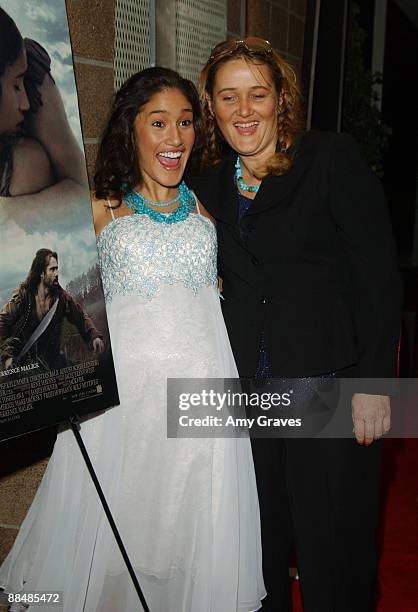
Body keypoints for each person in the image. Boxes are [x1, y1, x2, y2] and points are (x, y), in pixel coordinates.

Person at [0, 67, 265, 612]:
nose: (175, 138)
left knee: (186, 542)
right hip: (124, 413)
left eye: (186, 123)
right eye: (160, 122)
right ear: (132, 129)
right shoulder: (102, 209)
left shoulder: (203, 209)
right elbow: (40, 282)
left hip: (200, 406)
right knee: (117, 543)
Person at [191, 37, 403, 612]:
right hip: (247, 403)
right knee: (259, 551)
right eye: (228, 96)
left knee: (334, 549)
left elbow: (379, 280)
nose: (243, 110)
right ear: (210, 106)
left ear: (280, 98)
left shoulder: (331, 158)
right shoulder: (205, 184)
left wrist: (376, 384)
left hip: (329, 389)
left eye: (257, 94)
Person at [0, 6, 87, 224]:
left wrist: (8, 213)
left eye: (20, 83)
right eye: (15, 86)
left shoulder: (34, 81)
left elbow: (81, 190)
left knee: (26, 161)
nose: (26, 103)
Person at [0, 248, 104, 371]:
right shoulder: (24, 296)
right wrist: (7, 357)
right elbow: (2, 321)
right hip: (23, 363)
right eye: (52, 269)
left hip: (52, 362)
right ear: (41, 273)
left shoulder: (61, 298)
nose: (57, 273)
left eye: (57, 268)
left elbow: (80, 316)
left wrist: (94, 336)